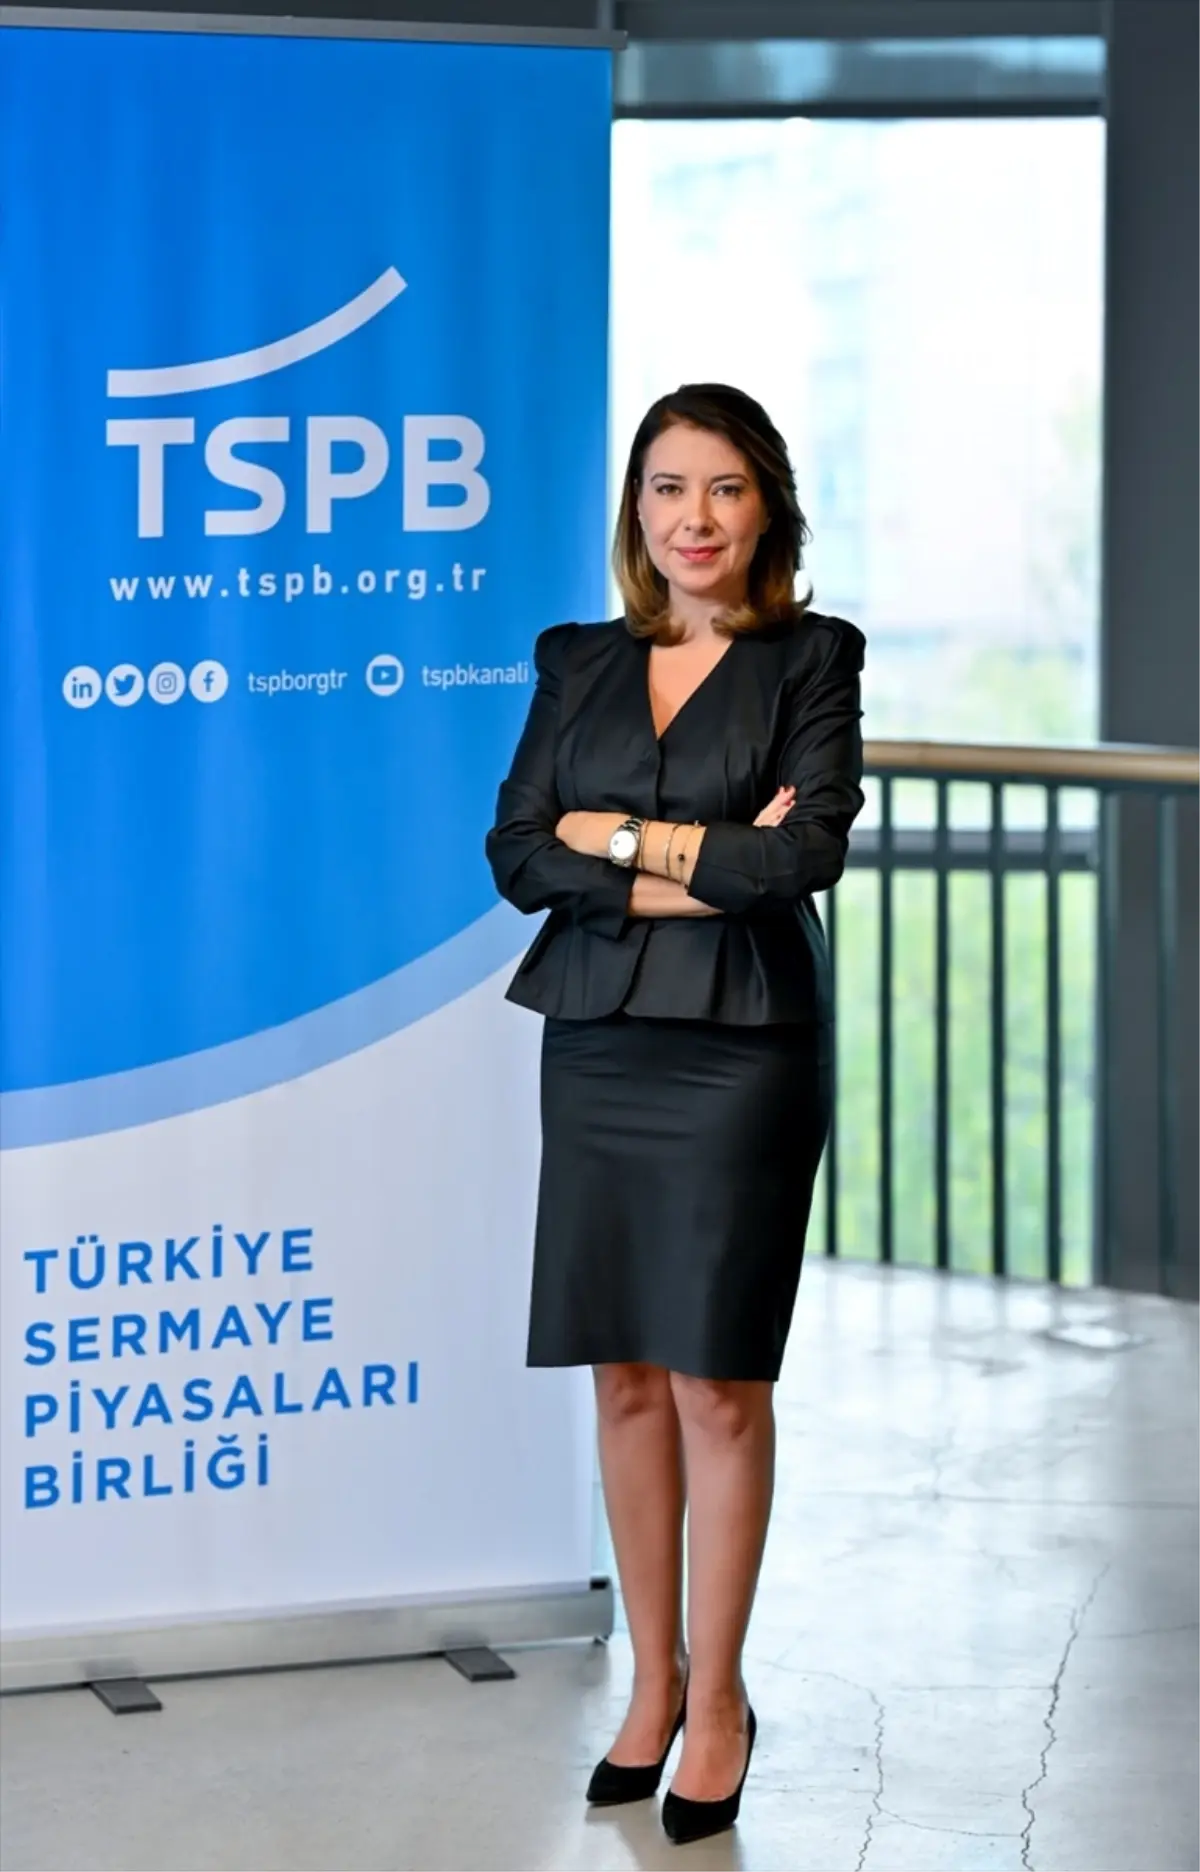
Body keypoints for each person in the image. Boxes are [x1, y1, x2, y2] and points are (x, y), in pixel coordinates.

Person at [485, 383, 865, 1846]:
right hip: (596, 1045)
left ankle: (723, 1705)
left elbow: (799, 862)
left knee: (717, 1381)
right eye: (666, 488)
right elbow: (519, 853)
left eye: (723, 488)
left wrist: (619, 838)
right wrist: (697, 858)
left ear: (767, 508)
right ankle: (654, 1686)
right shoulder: (575, 659)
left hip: (742, 1054)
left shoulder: (812, 659)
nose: (692, 518)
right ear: (635, 508)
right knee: (624, 1376)